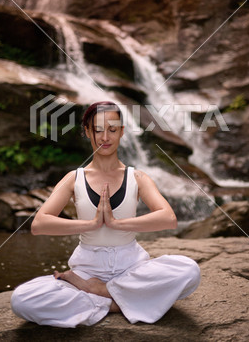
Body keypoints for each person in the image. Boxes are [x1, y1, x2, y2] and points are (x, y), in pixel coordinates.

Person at [11, 101, 200, 328]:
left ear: (122, 132)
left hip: (132, 268)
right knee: (22, 299)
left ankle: (99, 294)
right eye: (98, 130)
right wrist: (90, 225)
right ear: (87, 131)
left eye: (112, 129)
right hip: (87, 270)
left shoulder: (137, 177)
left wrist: (116, 223)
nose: (105, 137)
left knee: (189, 270)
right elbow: (39, 224)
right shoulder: (74, 178)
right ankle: (128, 300)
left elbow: (168, 218)